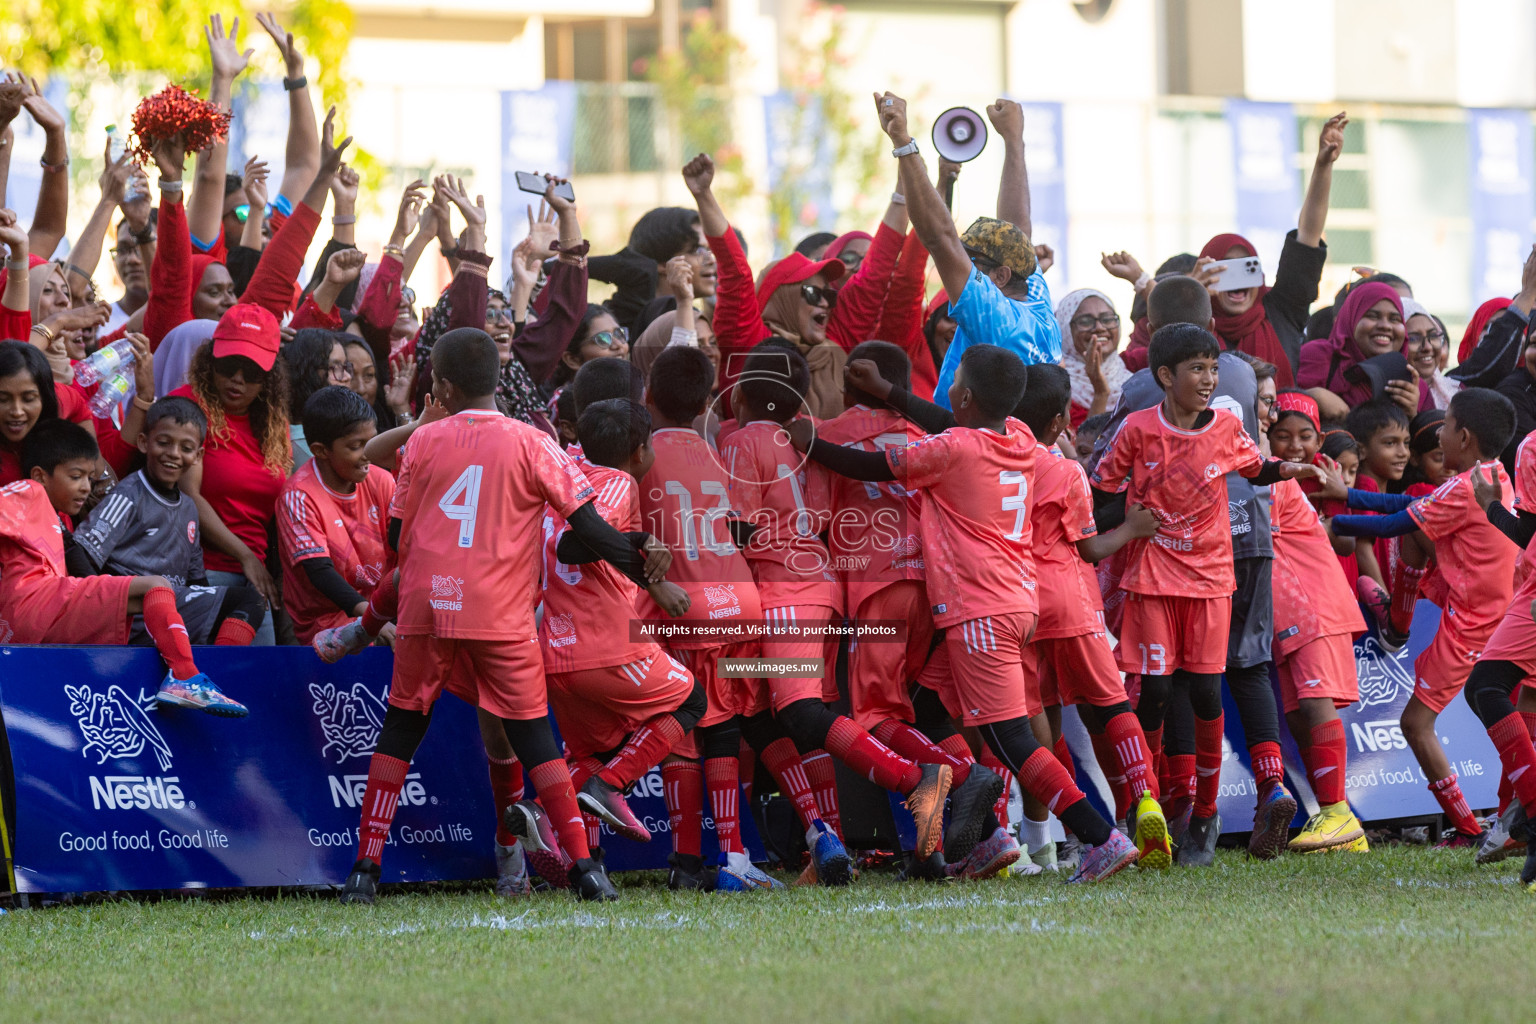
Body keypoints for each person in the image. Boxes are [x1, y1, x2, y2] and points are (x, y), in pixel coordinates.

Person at [337, 327, 682, 904]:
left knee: (401, 727)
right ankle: (584, 870)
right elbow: (589, 529)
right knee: (535, 740)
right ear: (498, 380)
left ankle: (364, 871)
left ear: (442, 386)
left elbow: (397, 535)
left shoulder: (423, 441)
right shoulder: (534, 442)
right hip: (500, 612)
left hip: (427, 604)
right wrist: (643, 561)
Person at [795, 344, 1143, 882]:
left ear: (963, 395)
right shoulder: (1019, 437)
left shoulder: (952, 450)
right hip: (1013, 601)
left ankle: (1098, 838)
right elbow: (947, 422)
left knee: (1012, 740)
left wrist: (810, 441)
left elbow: (865, 463)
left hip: (977, 610)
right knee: (929, 702)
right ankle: (989, 838)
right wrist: (891, 393)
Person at [718, 346, 954, 879]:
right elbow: (823, 514)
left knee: (799, 713)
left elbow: (739, 528)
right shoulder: (812, 439)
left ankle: (913, 778)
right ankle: (827, 841)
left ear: (739, 395)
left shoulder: (743, 440)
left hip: (783, 592)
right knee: (778, 716)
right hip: (824, 590)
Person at [1091, 324, 1321, 866]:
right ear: (1166, 377)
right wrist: (1125, 528)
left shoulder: (1225, 426)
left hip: (1212, 581)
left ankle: (1203, 815)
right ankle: (1143, 804)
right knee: (1154, 694)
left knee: (1206, 696)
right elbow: (1102, 491)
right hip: (1150, 582)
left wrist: (1292, 469)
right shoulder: (1136, 430)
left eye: (1213, 369)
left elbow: (1256, 467)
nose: (1209, 379)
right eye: (1197, 369)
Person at [820, 342, 1011, 877]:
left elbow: (814, 517)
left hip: (878, 590)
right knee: (913, 710)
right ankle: (980, 839)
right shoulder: (932, 435)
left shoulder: (829, 434)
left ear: (848, 384)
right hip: (931, 588)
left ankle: (960, 773)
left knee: (876, 716)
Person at [1324, 388, 1519, 847]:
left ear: (1464, 437)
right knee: (1509, 712)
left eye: (1447, 425)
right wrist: (1347, 494)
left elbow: (1396, 523)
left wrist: (1336, 523)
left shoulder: (1463, 487)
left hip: (1475, 621)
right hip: (1495, 609)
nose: (1434, 436)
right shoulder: (1492, 473)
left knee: (1415, 724)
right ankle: (1398, 621)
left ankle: (1473, 828)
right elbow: (1406, 513)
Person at [537, 400, 711, 869]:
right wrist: (646, 563)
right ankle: (611, 787)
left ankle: (536, 810)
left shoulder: (562, 470)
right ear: (639, 451)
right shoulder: (615, 480)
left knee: (599, 748)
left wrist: (637, 542)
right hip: (604, 642)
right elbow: (576, 545)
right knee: (692, 700)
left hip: (551, 651)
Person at [637, 344, 772, 891]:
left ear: (647, 397)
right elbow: (741, 526)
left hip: (687, 606)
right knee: (727, 727)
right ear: (702, 407)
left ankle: (691, 860)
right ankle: (734, 855)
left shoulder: (639, 455)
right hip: (743, 601)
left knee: (685, 733)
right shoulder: (718, 450)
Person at [3, 419, 245, 714]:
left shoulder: (58, 519)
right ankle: (184, 677)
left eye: (89, 478)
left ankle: (190, 677)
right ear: (40, 476)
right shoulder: (29, 491)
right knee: (154, 586)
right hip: (36, 602)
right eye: (76, 476)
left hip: (36, 617)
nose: (85, 488)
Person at [872, 93, 1061, 409]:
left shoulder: (996, 317)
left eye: (973, 263)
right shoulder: (1036, 299)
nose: (961, 266)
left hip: (978, 452)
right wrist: (1014, 140)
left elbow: (940, 238)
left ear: (1000, 276)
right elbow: (1016, 230)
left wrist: (902, 142)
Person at [70, 396, 265, 650]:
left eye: (185, 448)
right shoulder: (129, 493)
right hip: (131, 613)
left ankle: (207, 672)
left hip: (171, 613)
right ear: (144, 442)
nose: (173, 454)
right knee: (248, 599)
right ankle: (216, 670)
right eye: (163, 443)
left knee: (251, 603)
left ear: (198, 455)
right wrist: (103, 608)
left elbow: (197, 582)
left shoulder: (189, 507)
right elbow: (81, 551)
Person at [171, 303, 290, 646]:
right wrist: (245, 556)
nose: (237, 379)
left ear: (269, 375)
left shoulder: (272, 423)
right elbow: (190, 494)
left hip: (255, 577)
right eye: (228, 365)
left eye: (252, 371)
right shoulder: (188, 407)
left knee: (255, 687)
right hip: (201, 570)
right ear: (210, 360)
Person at [1196, 113, 1345, 382]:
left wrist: (1323, 165)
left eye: (1247, 268)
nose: (1237, 280)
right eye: (1226, 269)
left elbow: (1308, 235)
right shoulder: (1193, 326)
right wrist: (1191, 296)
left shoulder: (1280, 311)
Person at [1266, 472, 1368, 853]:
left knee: (1314, 701)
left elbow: (1248, 537)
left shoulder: (1267, 479)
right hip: (1286, 611)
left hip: (1312, 603)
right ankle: (1343, 827)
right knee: (1296, 715)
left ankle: (1336, 812)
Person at [1464, 460, 1536, 888]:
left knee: (1486, 687)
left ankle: (1529, 813)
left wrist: (1491, 508)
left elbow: (1529, 535)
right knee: (1527, 698)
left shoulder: (1530, 448)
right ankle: (1514, 820)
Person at [276, 386, 393, 646]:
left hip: (380, 610)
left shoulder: (383, 481)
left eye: (372, 441)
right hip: (324, 623)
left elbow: (403, 551)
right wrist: (373, 619)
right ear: (320, 450)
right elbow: (319, 572)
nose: (368, 454)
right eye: (356, 446)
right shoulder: (299, 495)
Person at [1299, 281, 1426, 421]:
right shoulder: (1319, 356)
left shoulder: (1412, 385)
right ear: (1351, 319)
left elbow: (1434, 439)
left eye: (1395, 319)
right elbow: (1281, 412)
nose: (1385, 326)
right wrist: (1311, 398)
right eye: (1372, 316)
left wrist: (1413, 416)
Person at [1057, 288, 1131, 428]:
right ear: (1065, 328)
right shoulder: (1057, 387)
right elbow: (1085, 448)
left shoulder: (1133, 371)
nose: (1099, 327)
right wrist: (1101, 394)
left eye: (1107, 319)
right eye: (1085, 321)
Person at [283, 328, 354, 467]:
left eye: (345, 367)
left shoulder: (332, 430)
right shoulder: (297, 444)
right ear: (307, 373)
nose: (347, 377)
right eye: (334, 367)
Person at [1401, 299, 1457, 409]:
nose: (1427, 347)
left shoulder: (1456, 393)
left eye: (1433, 336)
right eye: (1413, 338)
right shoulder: (1387, 397)